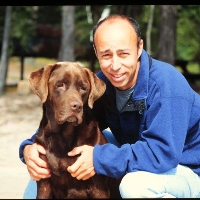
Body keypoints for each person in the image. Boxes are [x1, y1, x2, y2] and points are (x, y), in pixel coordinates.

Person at [19, 14, 200, 198]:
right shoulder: (103, 85)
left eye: (123, 54)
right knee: (48, 157)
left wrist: (99, 159)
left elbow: (162, 154)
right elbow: (66, 122)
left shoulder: (166, 85)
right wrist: (29, 149)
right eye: (106, 55)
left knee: (134, 186)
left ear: (139, 48)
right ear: (96, 53)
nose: (115, 65)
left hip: (186, 168)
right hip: (142, 155)